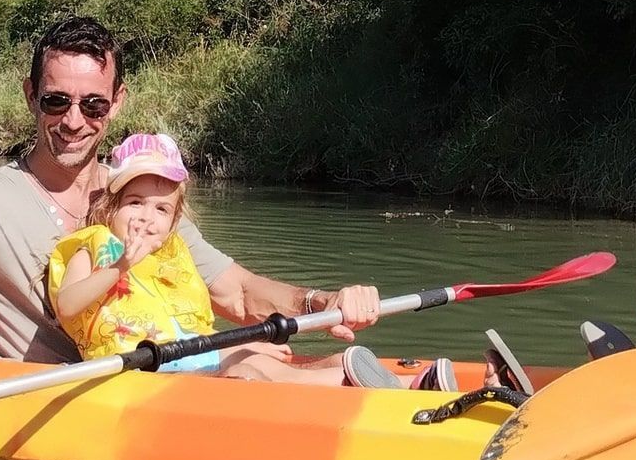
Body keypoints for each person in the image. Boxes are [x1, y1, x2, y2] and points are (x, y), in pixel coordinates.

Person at [0, 18, 387, 370]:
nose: (72, 121)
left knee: (267, 353)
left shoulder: (144, 199)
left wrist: (323, 302)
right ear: (30, 96)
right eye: (56, 100)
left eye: (92, 104)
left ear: (116, 102)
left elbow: (239, 295)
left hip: (166, 378)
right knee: (257, 368)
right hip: (69, 400)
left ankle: (369, 385)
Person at [50, 132, 453, 388]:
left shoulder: (173, 253)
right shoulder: (93, 246)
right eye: (135, 203)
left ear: (174, 221)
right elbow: (67, 305)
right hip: (134, 376)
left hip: (184, 360)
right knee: (248, 371)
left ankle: (402, 385)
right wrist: (119, 268)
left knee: (257, 355)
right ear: (112, 207)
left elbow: (233, 299)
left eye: (160, 210)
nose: (145, 217)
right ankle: (351, 382)